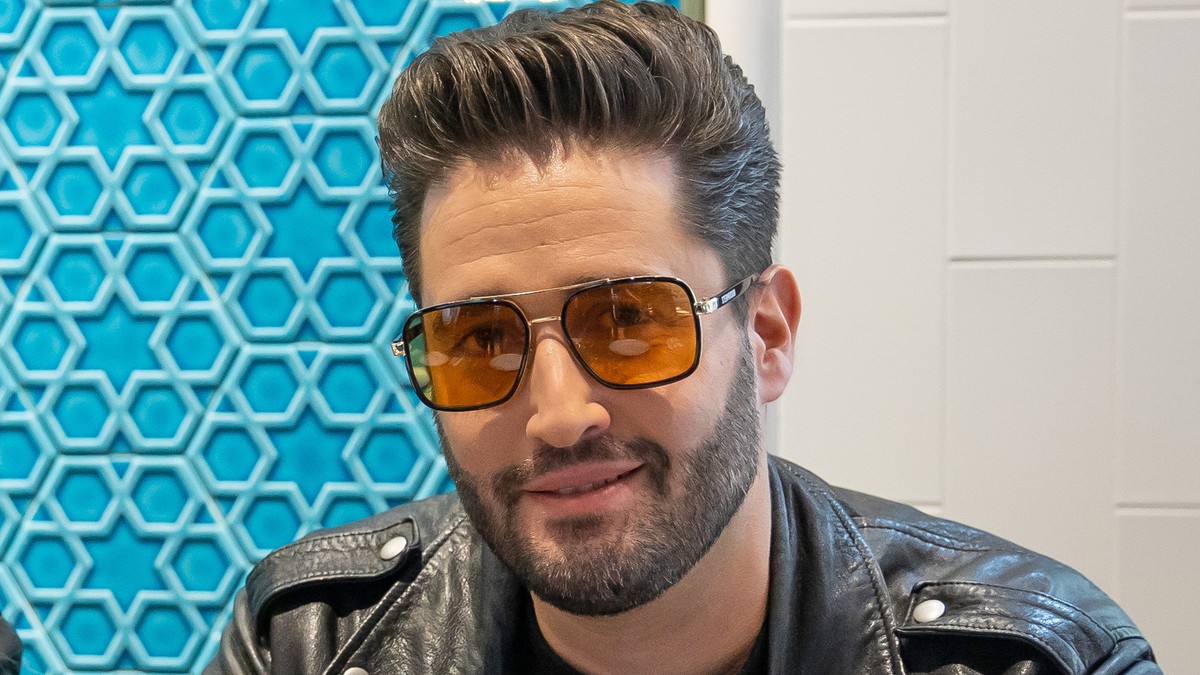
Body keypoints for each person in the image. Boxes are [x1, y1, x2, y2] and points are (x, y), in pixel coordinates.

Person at [207, 2, 1160, 673]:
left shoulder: (1036, 658)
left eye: (629, 320)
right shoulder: (309, 642)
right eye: (480, 338)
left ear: (767, 334)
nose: (559, 415)